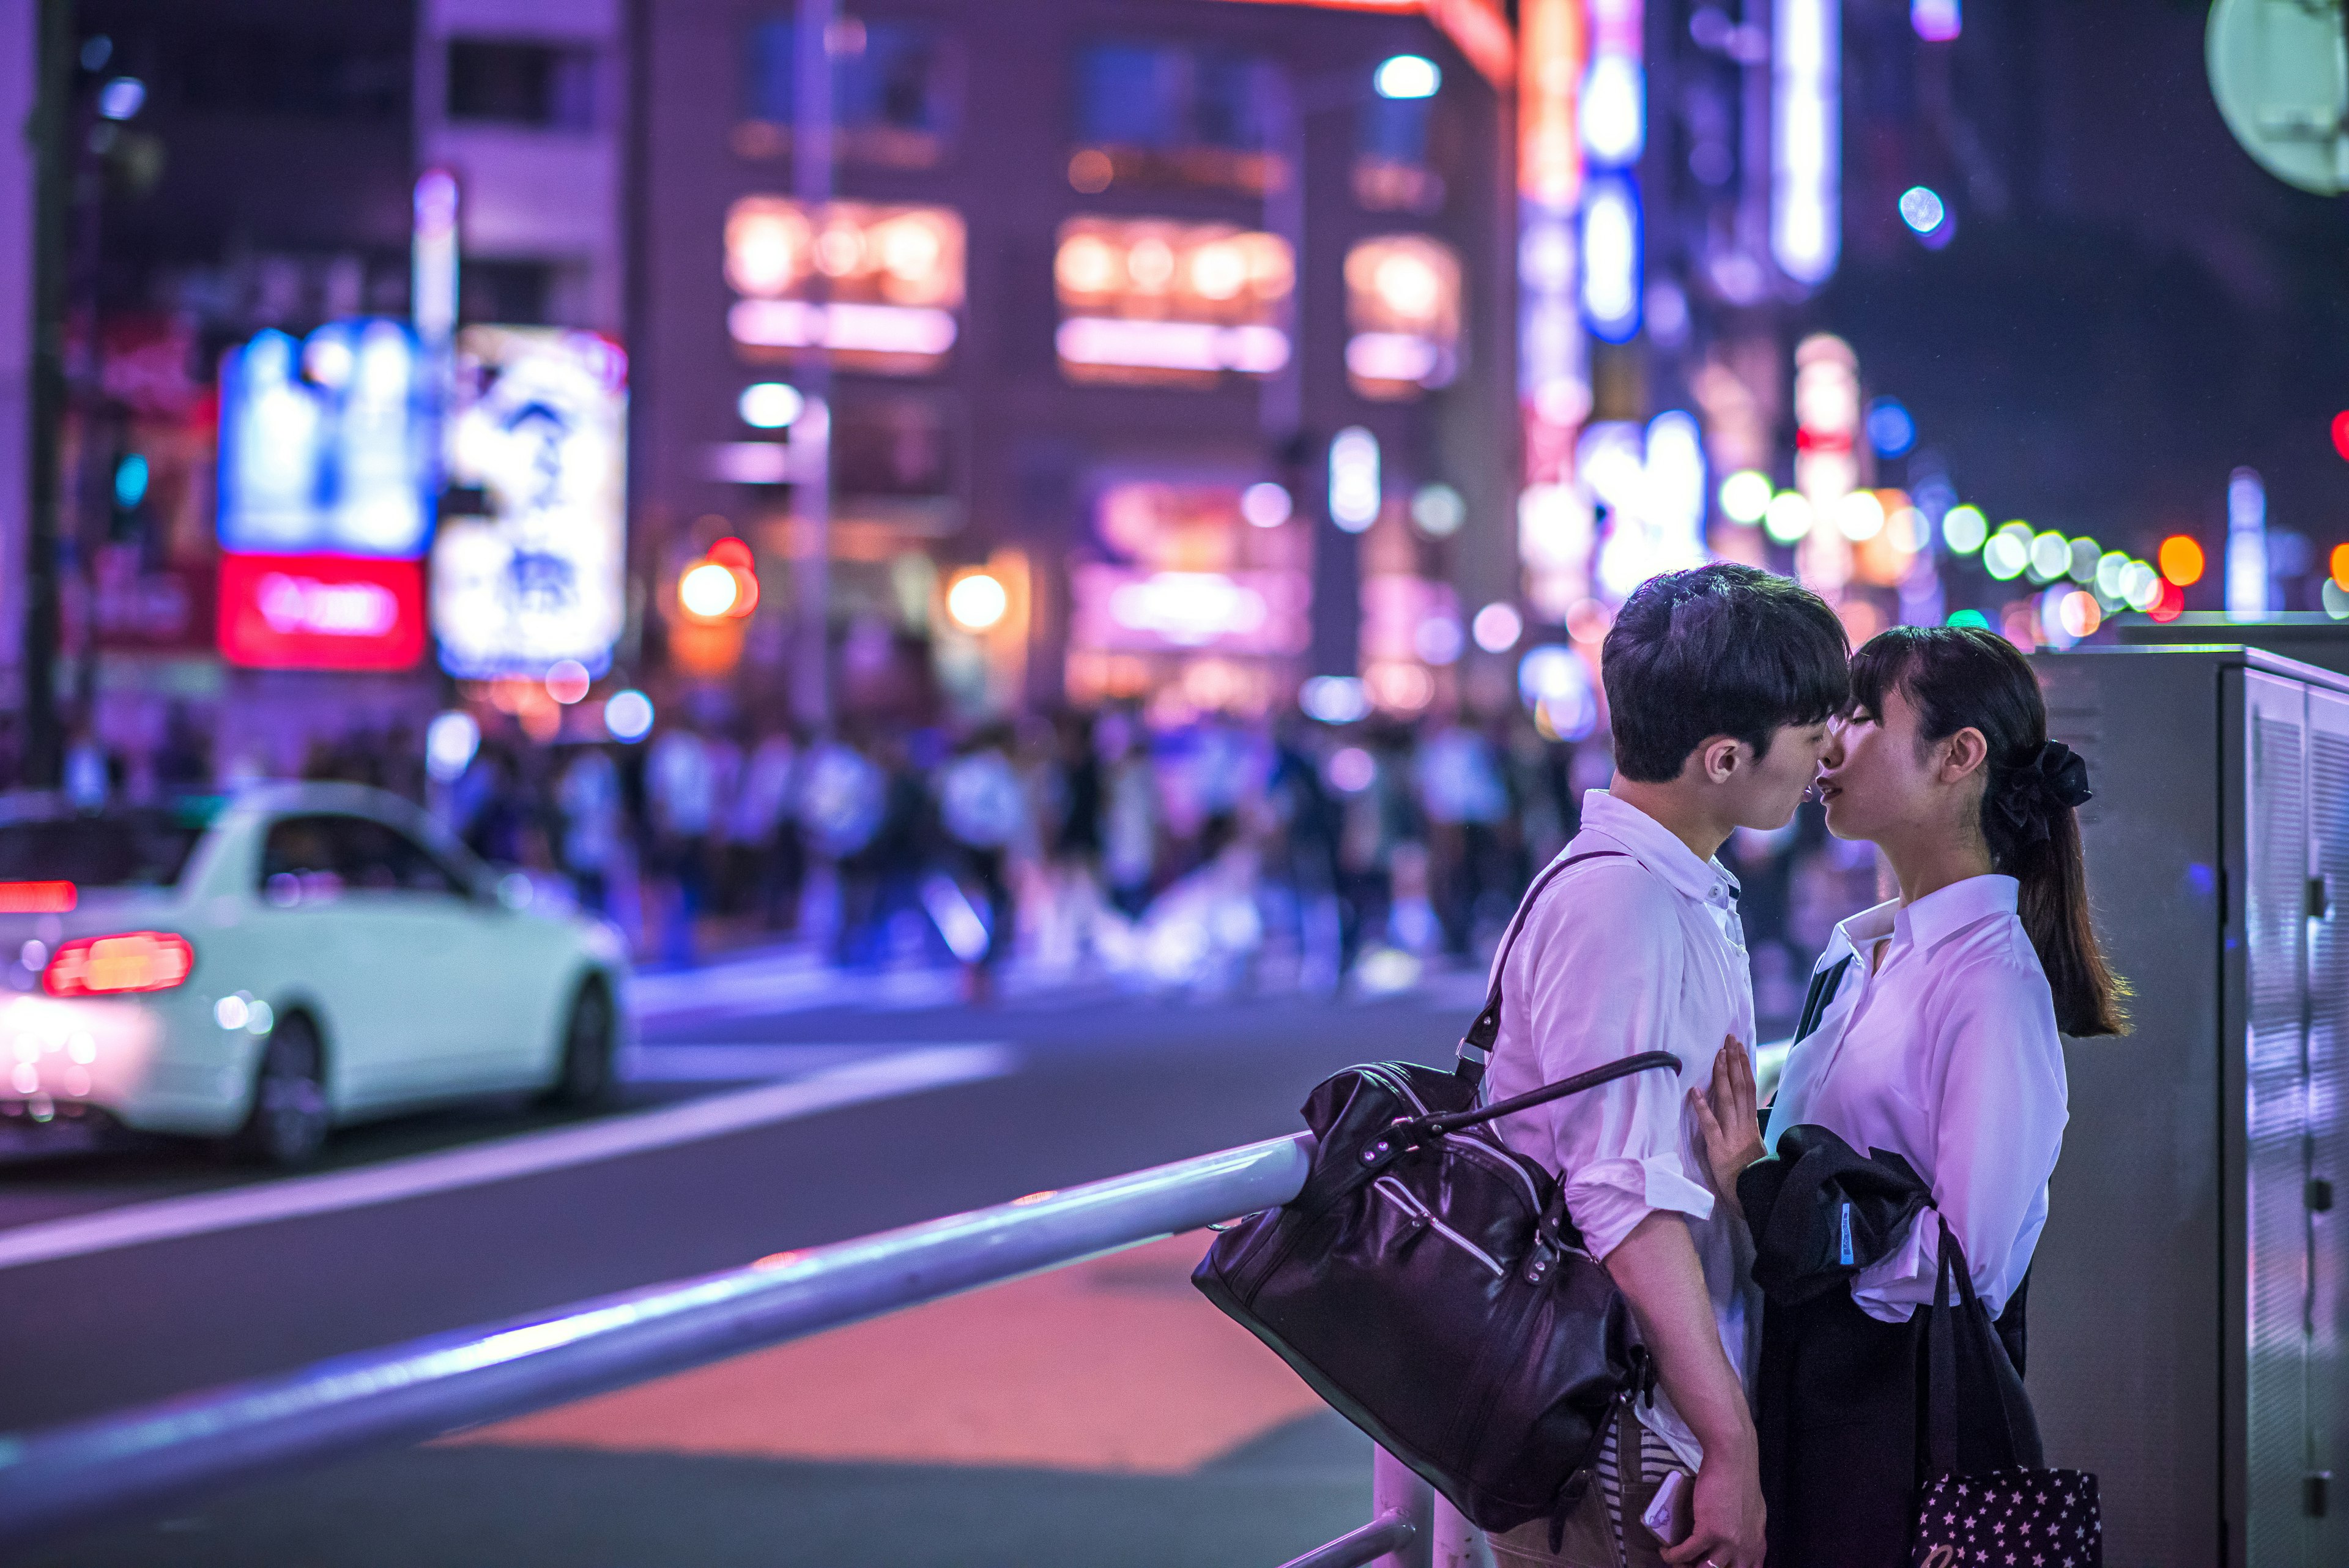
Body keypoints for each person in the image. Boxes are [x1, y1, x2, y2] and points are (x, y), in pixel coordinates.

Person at [1688, 625, 2128, 1567]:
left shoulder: (1993, 983)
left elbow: (1961, 1265)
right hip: (1806, 1393)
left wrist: (1761, 1191)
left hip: (1897, 1435)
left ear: (1958, 757)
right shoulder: (1860, 946)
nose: (1827, 742)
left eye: (1860, 715)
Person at [1482, 563, 1849, 1568]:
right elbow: (1622, 1199)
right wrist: (1729, 1443)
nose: (1824, 767)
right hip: (1615, 1424)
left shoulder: (1672, 885)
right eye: (1813, 741)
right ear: (1725, 757)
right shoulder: (1624, 906)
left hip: (1643, 1402)